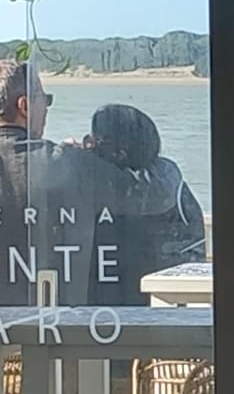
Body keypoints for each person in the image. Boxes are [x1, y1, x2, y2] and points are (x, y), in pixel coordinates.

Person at [0, 58, 189, 307]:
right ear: (24, 106)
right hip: (56, 326)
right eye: (44, 101)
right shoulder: (63, 163)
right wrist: (165, 164)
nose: (46, 110)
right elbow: (153, 194)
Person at [83, 103, 206, 306]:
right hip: (162, 305)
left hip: (93, 309)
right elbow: (194, 248)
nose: (87, 143)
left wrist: (71, 158)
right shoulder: (171, 184)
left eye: (92, 139)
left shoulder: (85, 181)